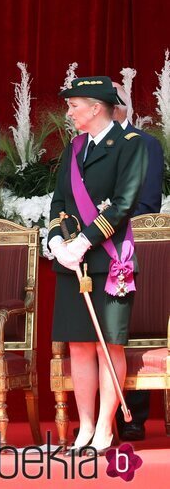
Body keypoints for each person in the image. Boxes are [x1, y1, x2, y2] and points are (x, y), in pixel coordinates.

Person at [47, 77, 147, 454]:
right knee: (80, 346)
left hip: (110, 260)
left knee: (109, 345)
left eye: (74, 105)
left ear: (95, 107)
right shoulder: (74, 149)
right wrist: (57, 240)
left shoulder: (130, 145)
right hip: (73, 263)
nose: (69, 112)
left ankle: (105, 427)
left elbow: (123, 203)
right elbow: (58, 202)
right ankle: (85, 427)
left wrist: (85, 241)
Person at [111, 82, 163, 441]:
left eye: (117, 98)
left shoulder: (146, 145)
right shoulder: (82, 147)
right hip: (93, 249)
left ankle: (133, 417)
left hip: (129, 245)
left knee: (132, 328)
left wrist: (109, 227)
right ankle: (101, 417)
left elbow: (148, 202)